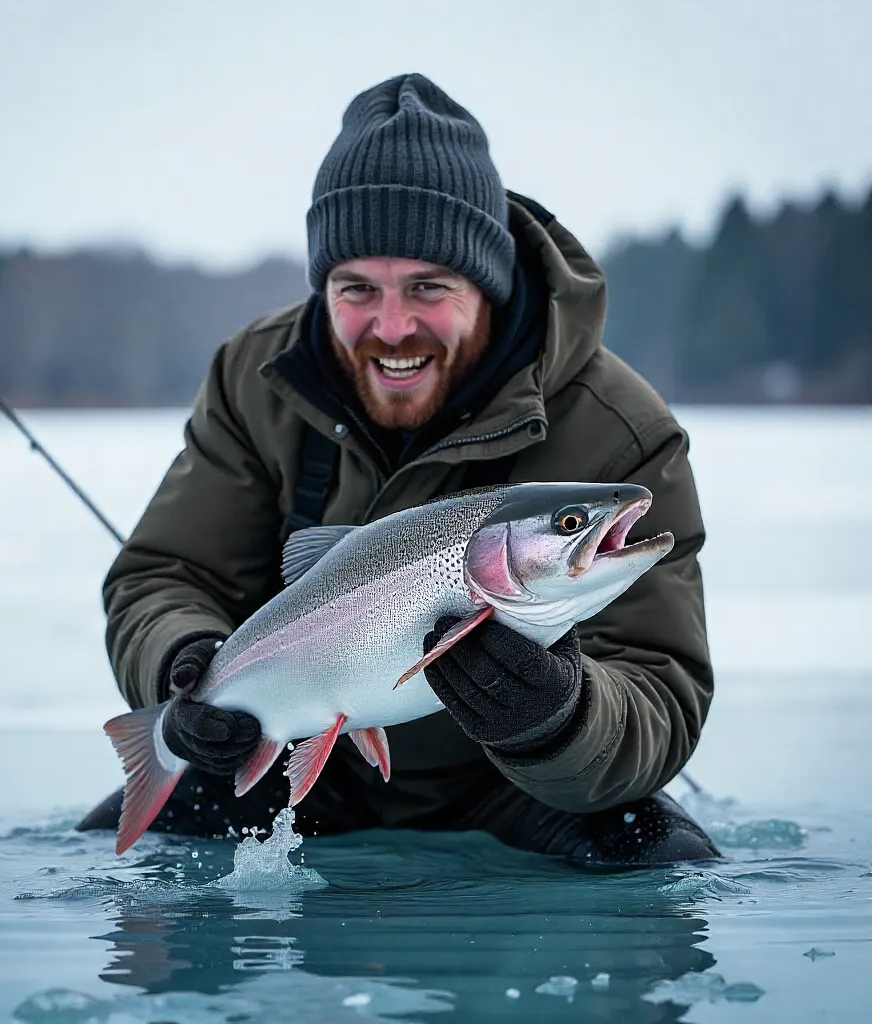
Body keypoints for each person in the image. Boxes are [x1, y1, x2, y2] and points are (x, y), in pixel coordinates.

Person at [77, 73, 718, 867]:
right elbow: (163, 576)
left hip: (521, 785)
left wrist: (558, 718)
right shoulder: (257, 375)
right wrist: (181, 662)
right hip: (307, 754)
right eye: (356, 290)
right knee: (106, 857)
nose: (391, 327)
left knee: (665, 862)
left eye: (428, 287)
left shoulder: (623, 430)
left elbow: (662, 688)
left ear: (487, 279)